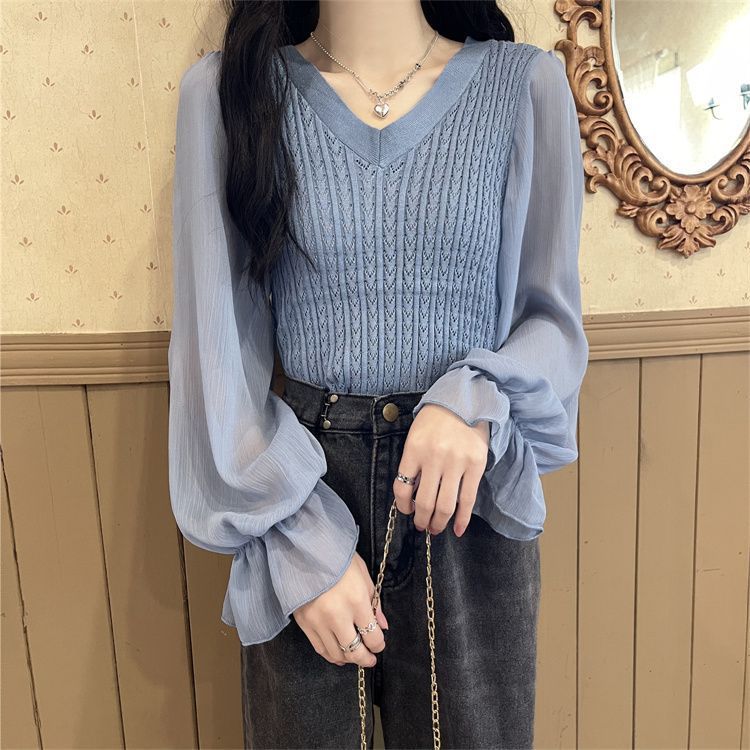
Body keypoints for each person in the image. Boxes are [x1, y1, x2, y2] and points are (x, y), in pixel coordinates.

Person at [167, 1, 589, 748]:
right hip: (300, 494)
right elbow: (216, 353)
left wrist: (473, 396)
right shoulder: (232, 92)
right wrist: (299, 541)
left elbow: (552, 321)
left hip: (465, 499)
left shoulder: (524, 87)